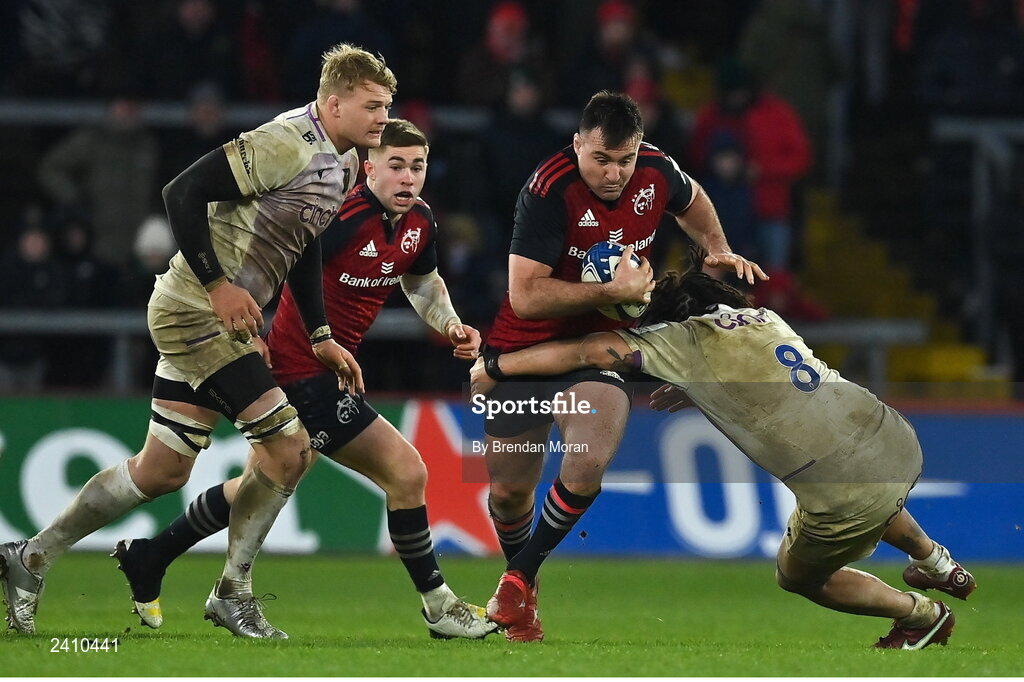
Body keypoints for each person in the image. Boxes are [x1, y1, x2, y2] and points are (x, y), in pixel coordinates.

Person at [0, 43, 392, 638]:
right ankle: (233, 593)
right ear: (333, 104)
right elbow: (181, 192)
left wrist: (317, 336)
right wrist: (217, 286)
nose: (382, 119)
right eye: (372, 106)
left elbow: (305, 242)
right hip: (193, 310)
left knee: (162, 470)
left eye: (386, 107)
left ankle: (29, 558)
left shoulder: (345, 163)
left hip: (221, 318)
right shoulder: (287, 143)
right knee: (289, 450)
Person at [111, 119, 497, 640]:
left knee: (259, 482)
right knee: (406, 473)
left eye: (419, 166)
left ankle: (152, 555)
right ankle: (438, 607)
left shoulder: (421, 223)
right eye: (397, 165)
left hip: (329, 370)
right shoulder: (342, 217)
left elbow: (422, 281)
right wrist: (291, 335)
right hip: (298, 371)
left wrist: (450, 323)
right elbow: (291, 263)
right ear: (370, 167)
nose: (409, 178)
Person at [471, 261, 977, 650]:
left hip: (844, 490)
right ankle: (935, 560)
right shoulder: (761, 317)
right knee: (866, 480)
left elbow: (587, 352)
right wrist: (700, 389)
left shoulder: (682, 341)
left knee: (799, 576)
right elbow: (768, 383)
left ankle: (920, 617)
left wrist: (498, 363)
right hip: (895, 438)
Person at [479, 90, 766, 642]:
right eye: (601, 160)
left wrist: (716, 247)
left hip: (601, 346)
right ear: (578, 143)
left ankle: (519, 580)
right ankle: (524, 585)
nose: (614, 174)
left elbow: (694, 198)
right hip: (523, 352)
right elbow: (525, 298)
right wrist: (614, 288)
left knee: (586, 462)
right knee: (509, 493)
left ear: (640, 149)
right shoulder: (547, 190)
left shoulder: (657, 169)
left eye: (625, 160)